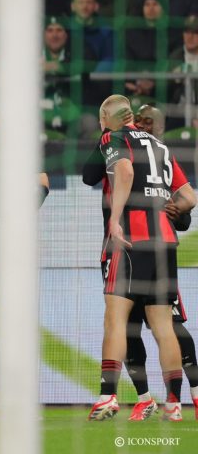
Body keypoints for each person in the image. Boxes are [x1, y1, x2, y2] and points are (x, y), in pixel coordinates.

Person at [82, 104, 198, 421]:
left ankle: (108, 396)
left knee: (117, 320)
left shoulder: (115, 138)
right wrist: (175, 208)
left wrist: (116, 219)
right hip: (164, 244)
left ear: (107, 119)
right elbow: (189, 197)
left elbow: (123, 172)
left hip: (130, 241)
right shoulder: (160, 147)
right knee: (162, 326)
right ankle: (169, 404)